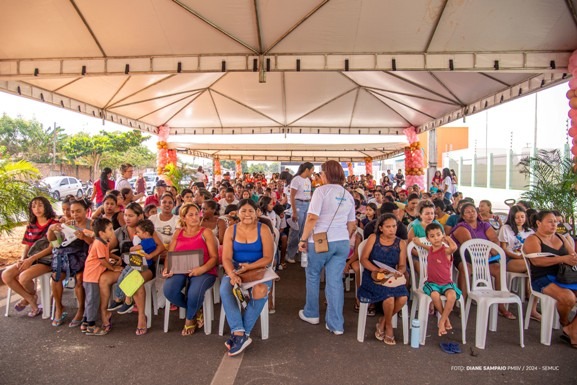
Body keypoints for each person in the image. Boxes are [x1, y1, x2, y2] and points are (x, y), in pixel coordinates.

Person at [297, 160, 356, 335]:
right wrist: (341, 235)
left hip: (320, 241)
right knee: (335, 282)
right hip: (342, 242)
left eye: (321, 173)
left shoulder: (321, 191)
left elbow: (312, 218)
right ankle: (336, 324)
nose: (320, 176)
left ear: (326, 174)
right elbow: (352, 224)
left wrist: (303, 239)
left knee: (313, 275)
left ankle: (312, 313)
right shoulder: (348, 195)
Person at [220, 199, 275, 356]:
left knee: (260, 290)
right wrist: (232, 274)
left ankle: (241, 334)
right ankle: (239, 332)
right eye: (243, 211)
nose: (247, 214)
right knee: (225, 289)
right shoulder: (231, 230)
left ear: (257, 212)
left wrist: (249, 267)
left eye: (250, 211)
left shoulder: (263, 229)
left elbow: (268, 258)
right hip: (236, 270)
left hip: (258, 270)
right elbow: (226, 259)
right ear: (237, 213)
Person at [101, 203, 164, 335]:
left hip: (145, 267)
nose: (127, 218)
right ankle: (106, 312)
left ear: (140, 216)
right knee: (104, 279)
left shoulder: (146, 230)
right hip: (126, 266)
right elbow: (106, 248)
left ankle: (141, 316)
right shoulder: (120, 231)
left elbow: (160, 247)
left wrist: (150, 255)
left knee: (136, 280)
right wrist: (113, 258)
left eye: (131, 215)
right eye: (125, 215)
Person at [450, 202, 516, 319]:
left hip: (486, 257)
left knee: (498, 269)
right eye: (468, 212)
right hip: (465, 256)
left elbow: (495, 241)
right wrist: (488, 251)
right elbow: (470, 246)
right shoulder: (461, 227)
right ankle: (462, 303)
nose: (471, 214)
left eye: (473, 211)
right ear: (463, 216)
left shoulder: (484, 225)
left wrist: (492, 252)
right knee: (466, 270)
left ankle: (501, 305)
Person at [522, 210, 577, 348]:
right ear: (539, 223)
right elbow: (537, 262)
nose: (554, 224)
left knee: (569, 297)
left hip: (564, 276)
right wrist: (562, 259)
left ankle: (572, 330)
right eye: (550, 221)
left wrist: (572, 258)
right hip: (542, 278)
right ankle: (565, 324)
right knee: (569, 298)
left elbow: (572, 254)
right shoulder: (533, 239)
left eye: (555, 221)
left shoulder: (561, 237)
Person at [163, 203, 218, 336]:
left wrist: (201, 269)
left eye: (197, 214)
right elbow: (169, 254)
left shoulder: (206, 232)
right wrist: (167, 268)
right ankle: (195, 309)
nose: (195, 218)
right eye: (191, 215)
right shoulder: (178, 233)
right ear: (183, 217)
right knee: (169, 290)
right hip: (180, 269)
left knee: (194, 293)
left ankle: (189, 319)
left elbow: (214, 258)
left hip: (204, 270)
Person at [1, 197, 60, 317]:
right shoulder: (31, 225)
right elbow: (27, 246)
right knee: (6, 275)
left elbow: (52, 247)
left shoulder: (55, 224)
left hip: (48, 260)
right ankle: (30, 298)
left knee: (23, 277)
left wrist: (30, 259)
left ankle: (29, 300)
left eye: (40, 205)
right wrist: (23, 259)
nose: (37, 209)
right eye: (34, 206)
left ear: (46, 207)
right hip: (30, 259)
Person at [357, 214, 408, 345]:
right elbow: (363, 259)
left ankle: (383, 322)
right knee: (389, 297)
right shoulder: (374, 238)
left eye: (394, 226)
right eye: (388, 227)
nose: (392, 229)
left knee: (403, 298)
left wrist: (399, 272)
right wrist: (376, 269)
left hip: (391, 276)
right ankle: (389, 327)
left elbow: (402, 265)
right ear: (380, 228)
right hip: (373, 275)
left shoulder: (401, 243)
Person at [47, 198, 93, 327]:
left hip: (86, 257)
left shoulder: (92, 224)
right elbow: (54, 242)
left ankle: (81, 309)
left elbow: (97, 245)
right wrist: (51, 230)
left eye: (78, 211)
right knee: (56, 278)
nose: (74, 214)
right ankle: (59, 308)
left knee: (79, 278)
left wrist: (84, 237)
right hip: (68, 257)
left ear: (86, 211)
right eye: (72, 212)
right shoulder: (67, 224)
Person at [413, 223, 460, 336]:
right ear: (428, 239)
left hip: (446, 283)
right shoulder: (431, 249)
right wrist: (419, 243)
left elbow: (454, 247)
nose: (436, 238)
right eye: (432, 236)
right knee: (434, 295)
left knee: (452, 295)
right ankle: (446, 318)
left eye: (438, 235)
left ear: (442, 235)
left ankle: (442, 320)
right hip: (432, 283)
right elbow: (428, 247)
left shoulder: (446, 250)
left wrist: (448, 238)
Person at [498, 205, 540, 320]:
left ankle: (533, 306)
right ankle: (531, 302)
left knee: (537, 269)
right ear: (512, 218)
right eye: (517, 217)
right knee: (534, 266)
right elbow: (504, 249)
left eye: (522, 217)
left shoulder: (530, 231)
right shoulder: (505, 229)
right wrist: (520, 257)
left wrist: (525, 257)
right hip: (510, 259)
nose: (520, 219)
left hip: (526, 259)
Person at [82, 218, 122, 335]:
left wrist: (116, 258)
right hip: (91, 277)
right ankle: (91, 326)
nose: (112, 231)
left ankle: (85, 323)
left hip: (92, 276)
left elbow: (107, 253)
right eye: (110, 229)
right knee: (93, 301)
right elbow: (103, 260)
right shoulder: (99, 243)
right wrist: (113, 268)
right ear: (101, 233)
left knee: (90, 300)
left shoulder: (104, 241)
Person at [286, 162, 314, 264]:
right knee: (296, 231)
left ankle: (301, 253)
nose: (312, 172)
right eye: (312, 170)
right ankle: (290, 254)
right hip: (298, 204)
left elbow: (309, 194)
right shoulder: (296, 179)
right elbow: (292, 196)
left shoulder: (308, 180)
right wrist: (294, 211)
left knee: (304, 231)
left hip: (307, 204)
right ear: (307, 169)